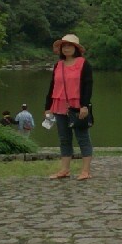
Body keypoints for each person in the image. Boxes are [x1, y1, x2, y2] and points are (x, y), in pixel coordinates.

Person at [43, 34, 93, 181]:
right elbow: (52, 85)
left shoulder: (83, 63)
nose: (66, 48)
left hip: (77, 106)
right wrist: (48, 106)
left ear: (76, 48)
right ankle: (65, 169)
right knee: (64, 138)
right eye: (64, 46)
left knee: (82, 137)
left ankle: (85, 171)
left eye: (69, 46)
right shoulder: (58, 65)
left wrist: (85, 105)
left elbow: (88, 85)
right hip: (59, 105)